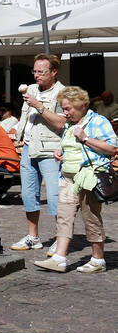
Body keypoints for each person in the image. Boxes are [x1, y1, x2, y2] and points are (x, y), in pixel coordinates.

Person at [34, 86, 118, 274]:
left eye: (68, 108)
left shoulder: (97, 121)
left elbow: (112, 148)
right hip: (67, 177)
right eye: (63, 108)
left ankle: (98, 260)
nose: (65, 113)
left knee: (91, 218)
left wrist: (86, 138)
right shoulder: (69, 124)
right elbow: (70, 145)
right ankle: (59, 259)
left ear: (81, 105)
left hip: (89, 177)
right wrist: (61, 152)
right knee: (63, 216)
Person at [11, 54, 66, 251]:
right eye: (34, 71)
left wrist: (39, 106)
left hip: (51, 150)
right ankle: (33, 237)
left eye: (41, 72)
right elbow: (26, 116)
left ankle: (61, 240)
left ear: (53, 72)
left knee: (54, 196)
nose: (36, 75)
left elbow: (61, 123)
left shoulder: (62, 93)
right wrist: (18, 135)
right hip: (28, 147)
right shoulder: (32, 89)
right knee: (28, 194)